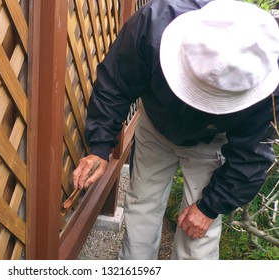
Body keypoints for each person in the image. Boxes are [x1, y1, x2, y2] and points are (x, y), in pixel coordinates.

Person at [72, 0, 279, 260]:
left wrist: (209, 207)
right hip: (156, 126)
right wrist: (100, 147)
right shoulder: (154, 23)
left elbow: (252, 154)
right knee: (141, 207)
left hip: (213, 141)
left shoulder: (268, 74)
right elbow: (116, 83)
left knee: (198, 237)